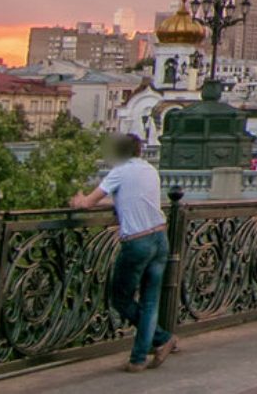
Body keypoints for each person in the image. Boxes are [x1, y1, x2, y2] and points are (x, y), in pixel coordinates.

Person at [70, 134, 176, 372]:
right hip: (160, 237)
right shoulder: (150, 170)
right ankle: (139, 359)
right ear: (139, 151)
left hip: (137, 242)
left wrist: (79, 201)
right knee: (150, 301)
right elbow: (132, 199)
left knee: (121, 299)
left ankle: (161, 339)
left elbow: (87, 203)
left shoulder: (119, 172)